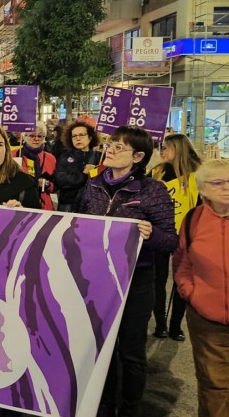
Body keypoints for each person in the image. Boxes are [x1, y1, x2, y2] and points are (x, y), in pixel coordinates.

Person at [79, 126, 178, 417]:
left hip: (136, 280)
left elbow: (170, 240)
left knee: (131, 351)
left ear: (138, 156)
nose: (110, 149)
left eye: (119, 147)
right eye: (111, 144)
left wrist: (151, 234)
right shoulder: (94, 184)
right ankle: (106, 404)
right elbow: (81, 222)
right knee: (102, 346)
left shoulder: (152, 191)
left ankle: (131, 408)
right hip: (98, 278)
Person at [173, 159, 229, 417]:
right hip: (208, 322)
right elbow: (183, 261)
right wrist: (191, 293)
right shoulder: (193, 220)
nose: (226, 188)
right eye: (217, 183)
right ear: (202, 189)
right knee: (214, 388)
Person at [149, 133, 202, 341]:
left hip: (185, 236)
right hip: (160, 233)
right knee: (157, 280)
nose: (162, 151)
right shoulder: (157, 172)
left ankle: (176, 325)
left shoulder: (197, 174)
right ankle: (160, 324)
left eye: (166, 147)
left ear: (178, 149)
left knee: (182, 280)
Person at [55, 121, 100, 212]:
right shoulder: (65, 157)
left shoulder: (99, 157)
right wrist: (83, 174)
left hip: (91, 205)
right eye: (74, 136)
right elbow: (61, 180)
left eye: (81, 135)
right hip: (68, 205)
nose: (78, 138)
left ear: (90, 137)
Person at [12, 123, 57, 210]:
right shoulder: (14, 154)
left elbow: (56, 186)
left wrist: (46, 184)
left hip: (44, 205)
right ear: (24, 137)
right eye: (32, 135)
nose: (36, 139)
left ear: (44, 138)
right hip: (19, 203)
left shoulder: (51, 158)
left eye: (40, 136)